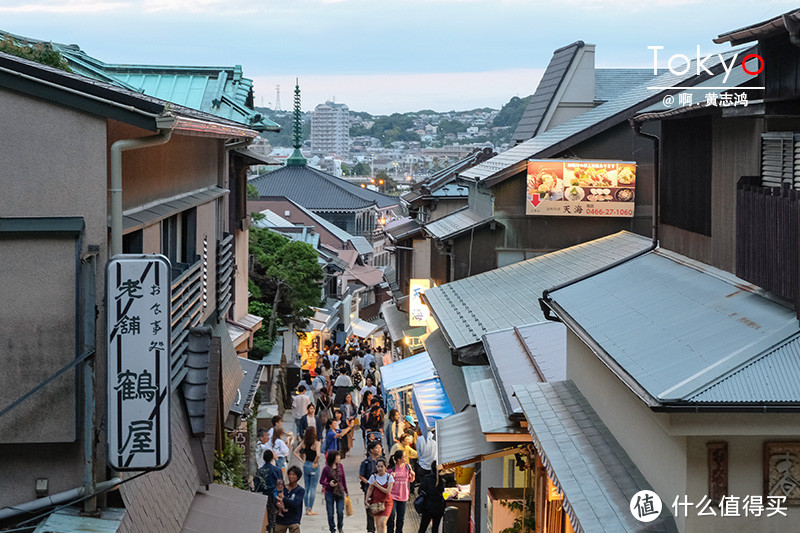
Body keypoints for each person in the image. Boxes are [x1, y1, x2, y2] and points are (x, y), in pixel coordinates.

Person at [252, 450, 283, 533]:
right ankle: (272, 529)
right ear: (272, 457)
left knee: (264, 516)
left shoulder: (260, 470)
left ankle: (268, 529)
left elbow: (255, 484)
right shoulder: (277, 470)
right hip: (273, 496)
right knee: (273, 516)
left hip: (262, 495)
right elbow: (280, 485)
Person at [293, 427, 321, 515]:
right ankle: (310, 508)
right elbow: (318, 454)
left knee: (307, 487)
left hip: (306, 465)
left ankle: (306, 508)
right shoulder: (316, 443)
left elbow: (295, 452)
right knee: (313, 488)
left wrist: (302, 461)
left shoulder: (304, 442)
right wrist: (315, 462)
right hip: (313, 465)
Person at [320, 450, 348, 533]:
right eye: (337, 457)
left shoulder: (341, 466)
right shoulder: (326, 468)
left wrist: (346, 491)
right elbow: (321, 481)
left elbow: (343, 480)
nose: (339, 459)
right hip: (329, 492)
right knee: (330, 513)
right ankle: (332, 529)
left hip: (340, 491)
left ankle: (340, 527)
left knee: (340, 511)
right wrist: (329, 484)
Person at [387, 450, 415, 533]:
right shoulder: (391, 468)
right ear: (399, 459)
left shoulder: (408, 466)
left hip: (403, 495)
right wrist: (390, 476)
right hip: (392, 495)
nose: (406, 458)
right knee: (391, 516)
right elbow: (385, 482)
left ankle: (399, 531)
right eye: (404, 457)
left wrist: (413, 475)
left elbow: (411, 480)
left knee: (401, 517)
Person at [365, 457, 395, 533]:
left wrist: (377, 485)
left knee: (382, 522)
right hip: (376, 503)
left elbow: (388, 491)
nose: (380, 468)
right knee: (378, 524)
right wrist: (366, 500)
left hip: (387, 503)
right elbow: (370, 489)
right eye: (378, 466)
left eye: (382, 466)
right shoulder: (373, 477)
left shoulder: (389, 477)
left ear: (385, 467)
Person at [359, 442, 383, 533]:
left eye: (380, 448)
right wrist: (369, 483)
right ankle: (371, 529)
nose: (379, 449)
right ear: (371, 450)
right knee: (369, 510)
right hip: (368, 489)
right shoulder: (366, 462)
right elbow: (361, 476)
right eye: (377, 448)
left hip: (380, 489)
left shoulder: (382, 461)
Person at [417, 462, 445, 533]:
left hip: (427, 507)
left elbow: (419, 491)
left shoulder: (426, 478)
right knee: (435, 529)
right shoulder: (442, 481)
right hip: (438, 508)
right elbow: (442, 492)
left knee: (423, 528)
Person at [276, 465, 305, 533]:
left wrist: (283, 498)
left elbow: (296, 504)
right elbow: (276, 498)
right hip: (281, 520)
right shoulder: (282, 488)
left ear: (298, 477)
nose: (291, 476)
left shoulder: (300, 490)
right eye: (289, 474)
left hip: (294, 520)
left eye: (293, 474)